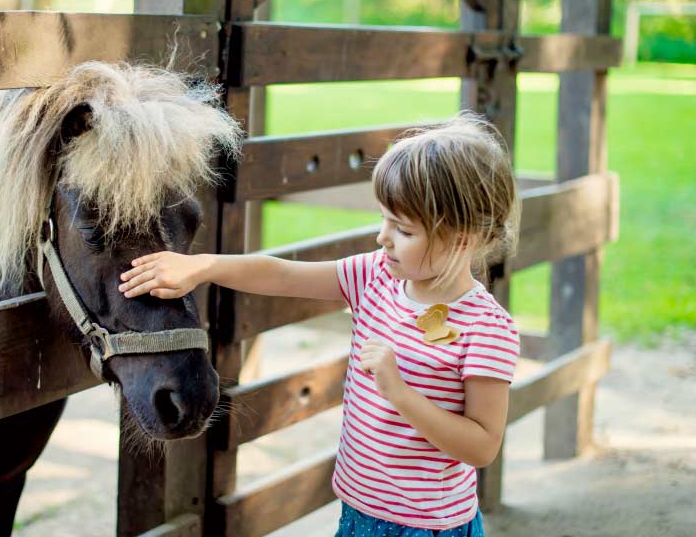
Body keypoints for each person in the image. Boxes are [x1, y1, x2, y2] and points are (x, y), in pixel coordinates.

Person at [118, 112, 520, 536]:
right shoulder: (375, 277)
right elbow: (284, 275)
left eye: (402, 229)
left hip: (428, 528)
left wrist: (398, 392)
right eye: (383, 219)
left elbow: (482, 445)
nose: (383, 238)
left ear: (462, 239)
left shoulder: (485, 329)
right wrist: (203, 266)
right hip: (360, 510)